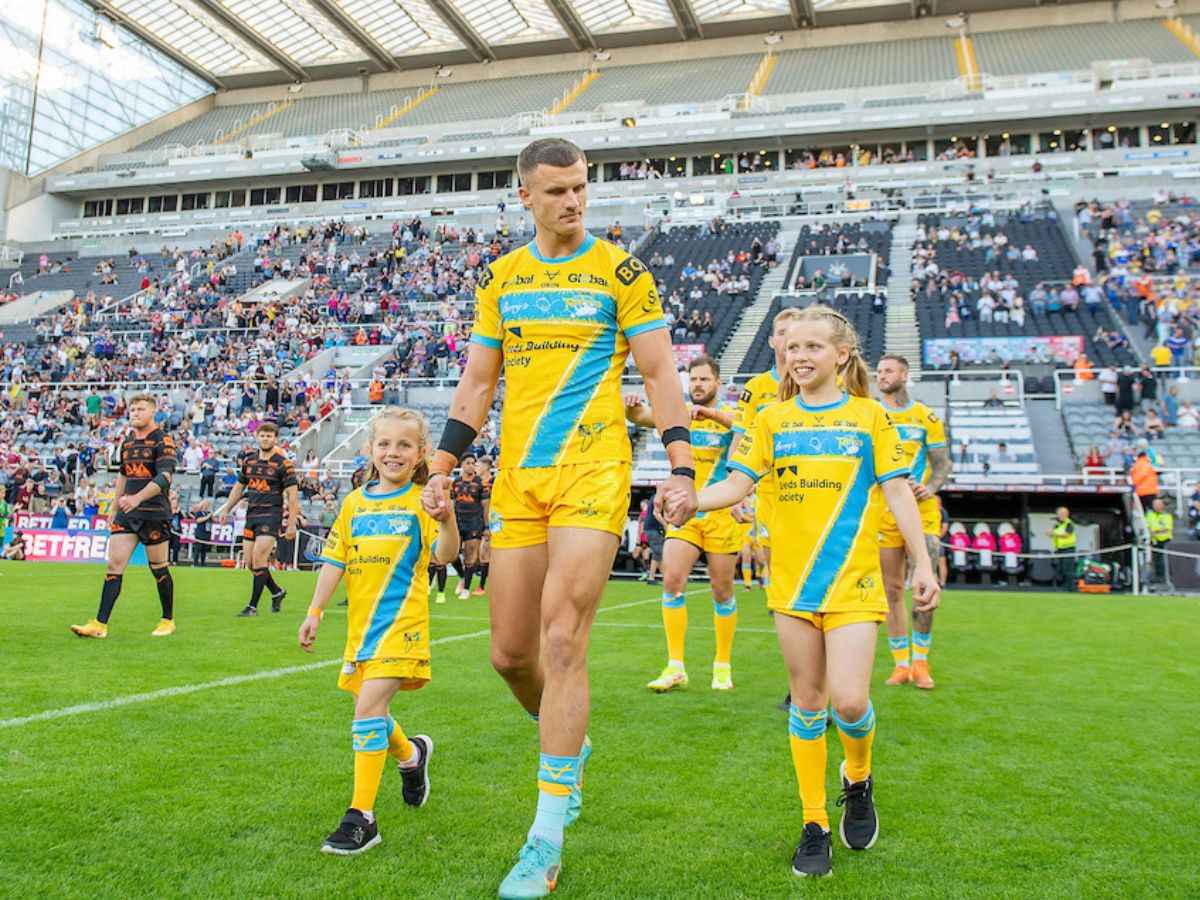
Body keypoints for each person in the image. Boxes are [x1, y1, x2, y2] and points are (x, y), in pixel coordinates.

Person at [421, 137, 696, 898]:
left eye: (580, 187)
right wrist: (441, 464)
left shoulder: (622, 271)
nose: (573, 201)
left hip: (594, 471)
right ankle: (568, 747)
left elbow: (659, 370)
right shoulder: (501, 277)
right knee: (510, 656)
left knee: (564, 637)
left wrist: (680, 463)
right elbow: (479, 381)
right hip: (520, 480)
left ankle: (544, 839)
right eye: (557, 191)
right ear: (525, 196)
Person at [662, 305, 939, 878]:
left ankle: (857, 777)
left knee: (850, 703)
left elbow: (897, 492)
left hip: (854, 583)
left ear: (842, 354)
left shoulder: (869, 417)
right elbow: (737, 482)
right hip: (791, 586)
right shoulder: (770, 419)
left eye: (813, 346)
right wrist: (695, 499)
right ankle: (814, 825)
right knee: (808, 704)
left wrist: (922, 563)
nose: (800, 356)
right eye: (792, 347)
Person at [299, 408, 460, 855]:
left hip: (403, 627)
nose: (393, 452)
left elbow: (446, 555)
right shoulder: (354, 503)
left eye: (404, 445)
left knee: (367, 711)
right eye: (384, 443)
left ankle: (361, 818)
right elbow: (335, 560)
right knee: (371, 711)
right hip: (361, 632)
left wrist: (446, 518)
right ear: (370, 449)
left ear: (420, 453)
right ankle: (411, 756)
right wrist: (315, 611)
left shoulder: (422, 501)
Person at [626, 354, 741, 692]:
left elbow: (748, 428)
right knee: (672, 580)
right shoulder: (681, 414)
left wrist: (712, 415)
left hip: (721, 512)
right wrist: (632, 408)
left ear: (718, 383)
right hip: (684, 514)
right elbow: (644, 417)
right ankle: (675, 666)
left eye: (704, 379)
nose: (698, 385)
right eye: (693, 380)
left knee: (722, 590)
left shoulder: (729, 416)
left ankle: (722, 665)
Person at [71, 394, 177, 639]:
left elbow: (165, 477)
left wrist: (137, 498)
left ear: (153, 412)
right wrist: (114, 506)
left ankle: (167, 620)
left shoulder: (163, 440)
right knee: (114, 565)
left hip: (153, 513)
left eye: (141, 409)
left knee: (158, 567)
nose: (135, 413)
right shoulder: (128, 442)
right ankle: (99, 624)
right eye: (133, 409)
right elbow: (123, 474)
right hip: (127, 514)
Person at [874, 355, 952, 690]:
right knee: (891, 589)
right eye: (879, 371)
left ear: (904, 375)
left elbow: (942, 464)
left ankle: (921, 661)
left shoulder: (925, 416)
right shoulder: (872, 413)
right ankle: (900, 664)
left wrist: (929, 488)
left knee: (924, 585)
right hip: (883, 510)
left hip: (922, 512)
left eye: (888, 371)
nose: (881, 376)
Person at [217, 422, 299, 616]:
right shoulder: (249, 461)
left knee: (259, 557)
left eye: (269, 436)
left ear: (275, 439)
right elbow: (239, 488)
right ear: (257, 437)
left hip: (271, 516)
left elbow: (293, 496)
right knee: (251, 564)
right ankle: (277, 591)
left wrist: (291, 523)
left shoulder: (284, 464)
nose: (266, 439)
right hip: (251, 515)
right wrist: (226, 508)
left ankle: (252, 607)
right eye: (263, 435)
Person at [452, 453, 487, 599]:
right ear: (461, 465)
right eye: (468, 463)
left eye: (473, 463)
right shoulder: (455, 483)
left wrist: (486, 527)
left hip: (474, 523)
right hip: (458, 522)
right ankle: (462, 576)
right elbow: (452, 503)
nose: (471, 466)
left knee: (470, 556)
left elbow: (486, 506)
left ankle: (466, 589)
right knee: (452, 554)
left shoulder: (480, 483)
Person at [1145, 497, 1173, 585]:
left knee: (1162, 560)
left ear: (1162, 505)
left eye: (1158, 504)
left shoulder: (1167, 515)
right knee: (1152, 561)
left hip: (1164, 541)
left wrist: (1155, 531)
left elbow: (1167, 528)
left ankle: (1164, 577)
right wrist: (1152, 532)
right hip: (1152, 541)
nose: (1156, 506)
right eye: (1155, 504)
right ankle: (1153, 577)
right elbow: (1147, 525)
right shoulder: (1149, 515)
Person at [1048, 506, 1077, 591]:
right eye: (1058, 513)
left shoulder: (1069, 523)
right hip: (1059, 549)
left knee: (1068, 568)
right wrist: (1050, 533)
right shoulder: (1057, 524)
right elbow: (1054, 535)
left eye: (1061, 513)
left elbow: (1067, 534)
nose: (1059, 515)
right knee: (1061, 568)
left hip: (1068, 549)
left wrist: (1053, 533)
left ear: (1066, 514)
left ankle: (1071, 587)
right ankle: (1065, 586)